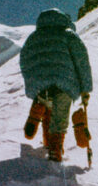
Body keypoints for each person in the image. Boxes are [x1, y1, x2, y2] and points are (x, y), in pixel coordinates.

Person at [19, 8, 92, 162]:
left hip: (40, 84)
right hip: (64, 82)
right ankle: (54, 151)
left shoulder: (33, 37)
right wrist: (85, 89)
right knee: (59, 119)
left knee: (48, 112)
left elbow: (24, 60)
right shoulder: (68, 34)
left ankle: (37, 110)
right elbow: (82, 62)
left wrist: (32, 83)